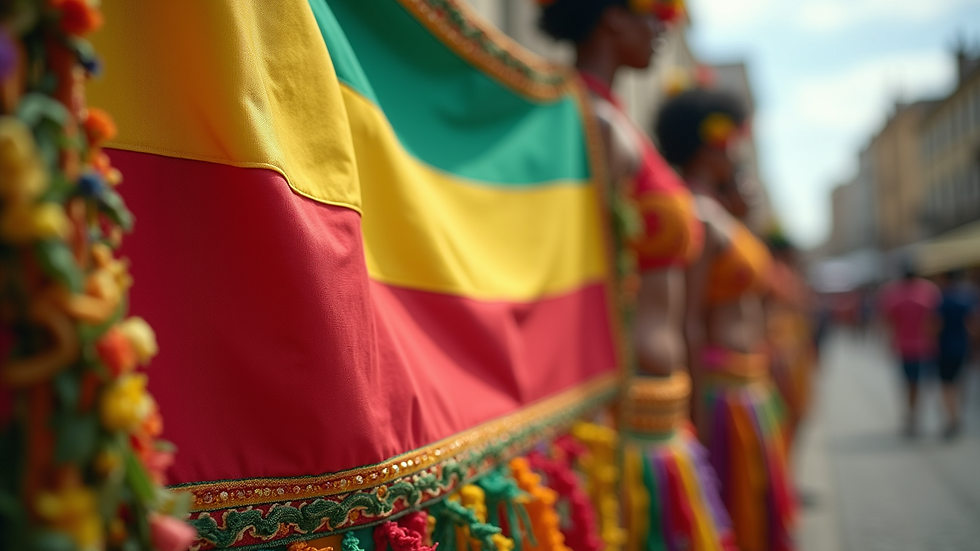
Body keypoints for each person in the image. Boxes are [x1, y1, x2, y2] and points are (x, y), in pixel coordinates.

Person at [538, 1, 737, 549]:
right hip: (622, 410)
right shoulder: (591, 121)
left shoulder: (618, 123)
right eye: (653, 12)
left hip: (660, 406)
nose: (662, 27)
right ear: (611, 17)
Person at [656, 88, 796, 551]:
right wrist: (694, 418)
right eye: (731, 138)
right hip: (719, 394)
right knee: (735, 518)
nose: (736, 150)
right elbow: (688, 320)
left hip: (746, 386)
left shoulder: (719, 214)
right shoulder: (696, 213)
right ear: (708, 144)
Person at [877, 267, 941, 436]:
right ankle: (918, 415)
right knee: (926, 384)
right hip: (926, 346)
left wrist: (887, 342)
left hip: (906, 346)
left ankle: (912, 416)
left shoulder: (893, 293)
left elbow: (888, 321)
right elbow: (935, 320)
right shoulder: (929, 290)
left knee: (910, 384)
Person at [936, 270, 978, 438]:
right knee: (960, 383)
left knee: (947, 385)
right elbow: (974, 325)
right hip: (963, 348)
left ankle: (952, 419)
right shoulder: (967, 298)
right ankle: (958, 414)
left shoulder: (942, 300)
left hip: (945, 348)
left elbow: (935, 326)